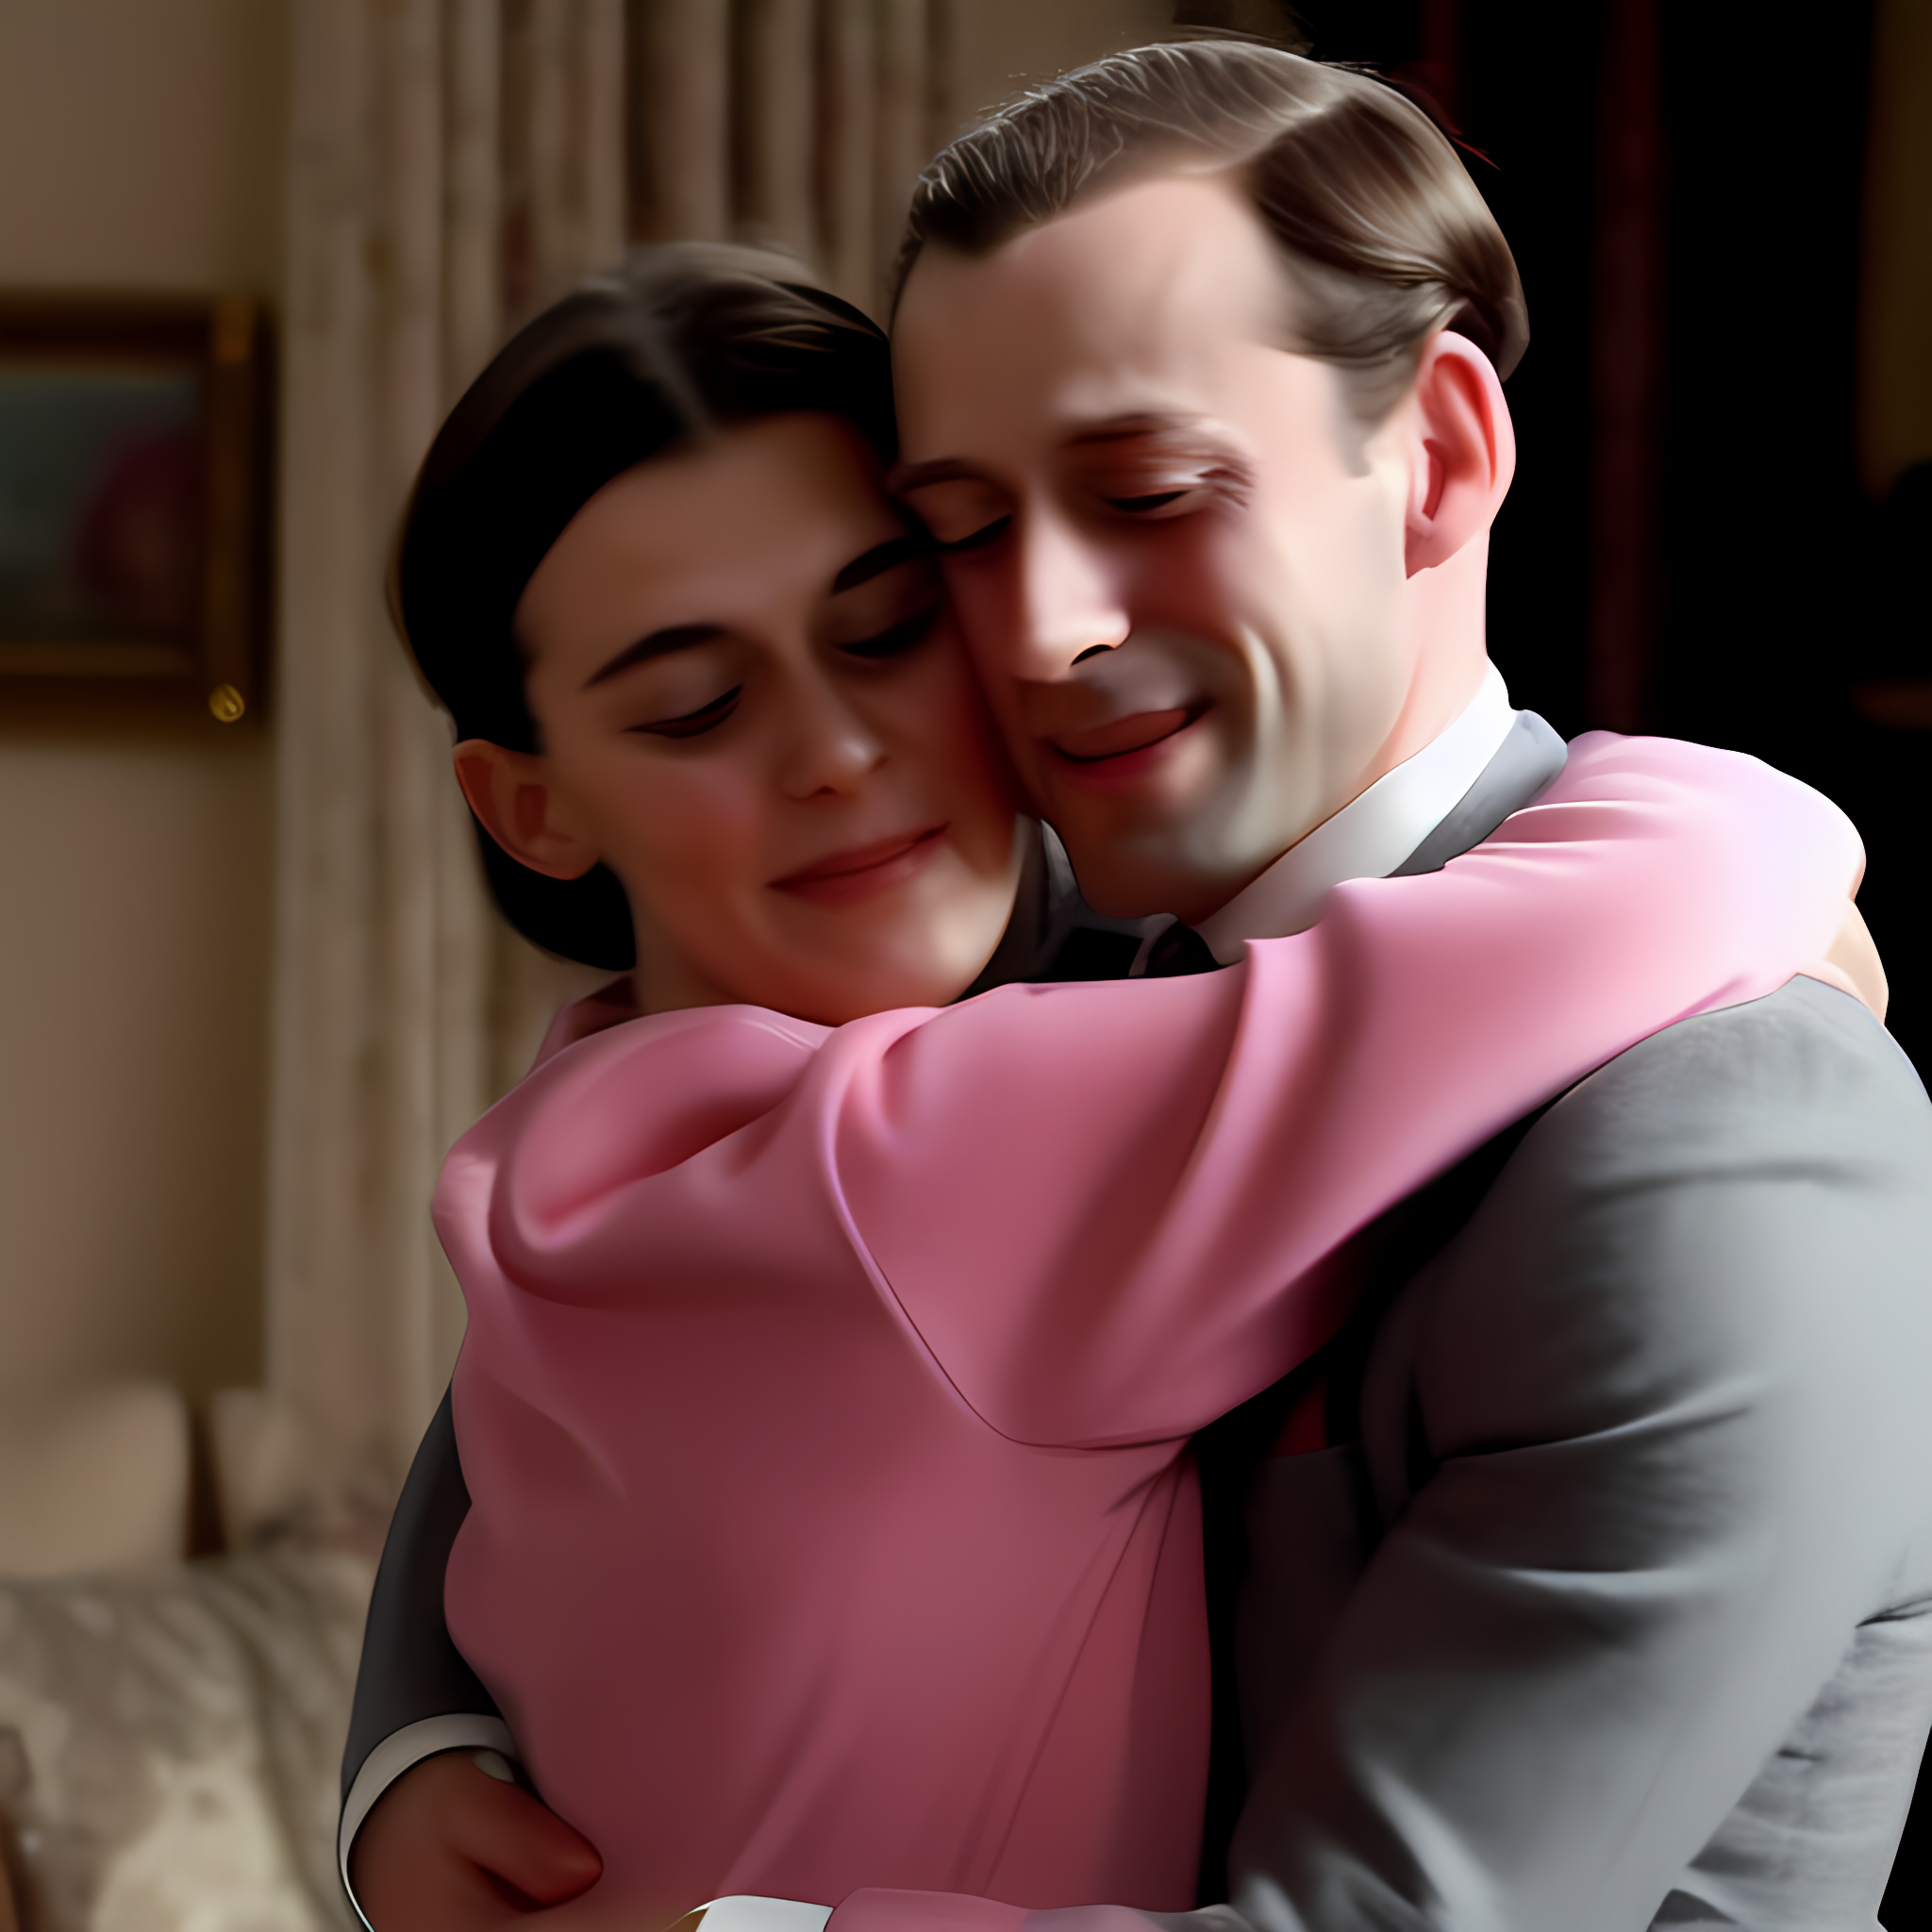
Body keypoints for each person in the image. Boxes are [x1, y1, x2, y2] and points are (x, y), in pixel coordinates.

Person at [341, 48, 1915, 1932]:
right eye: (967, 534)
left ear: (1435, 458)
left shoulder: (1718, 1122)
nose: (1039, 632)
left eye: (1149, 491)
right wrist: (414, 1739)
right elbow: (570, 1381)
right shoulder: (1041, 1006)